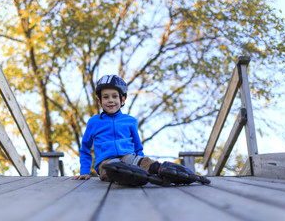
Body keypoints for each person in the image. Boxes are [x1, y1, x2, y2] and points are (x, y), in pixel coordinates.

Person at [72, 74, 210, 186]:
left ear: (123, 99)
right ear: (100, 102)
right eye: (106, 97)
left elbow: (138, 147)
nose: (110, 100)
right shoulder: (94, 122)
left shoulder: (130, 121)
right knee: (113, 168)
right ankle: (133, 177)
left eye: (114, 96)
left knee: (141, 162)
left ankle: (167, 172)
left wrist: (143, 162)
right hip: (106, 162)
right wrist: (85, 171)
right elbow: (85, 148)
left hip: (128, 156)